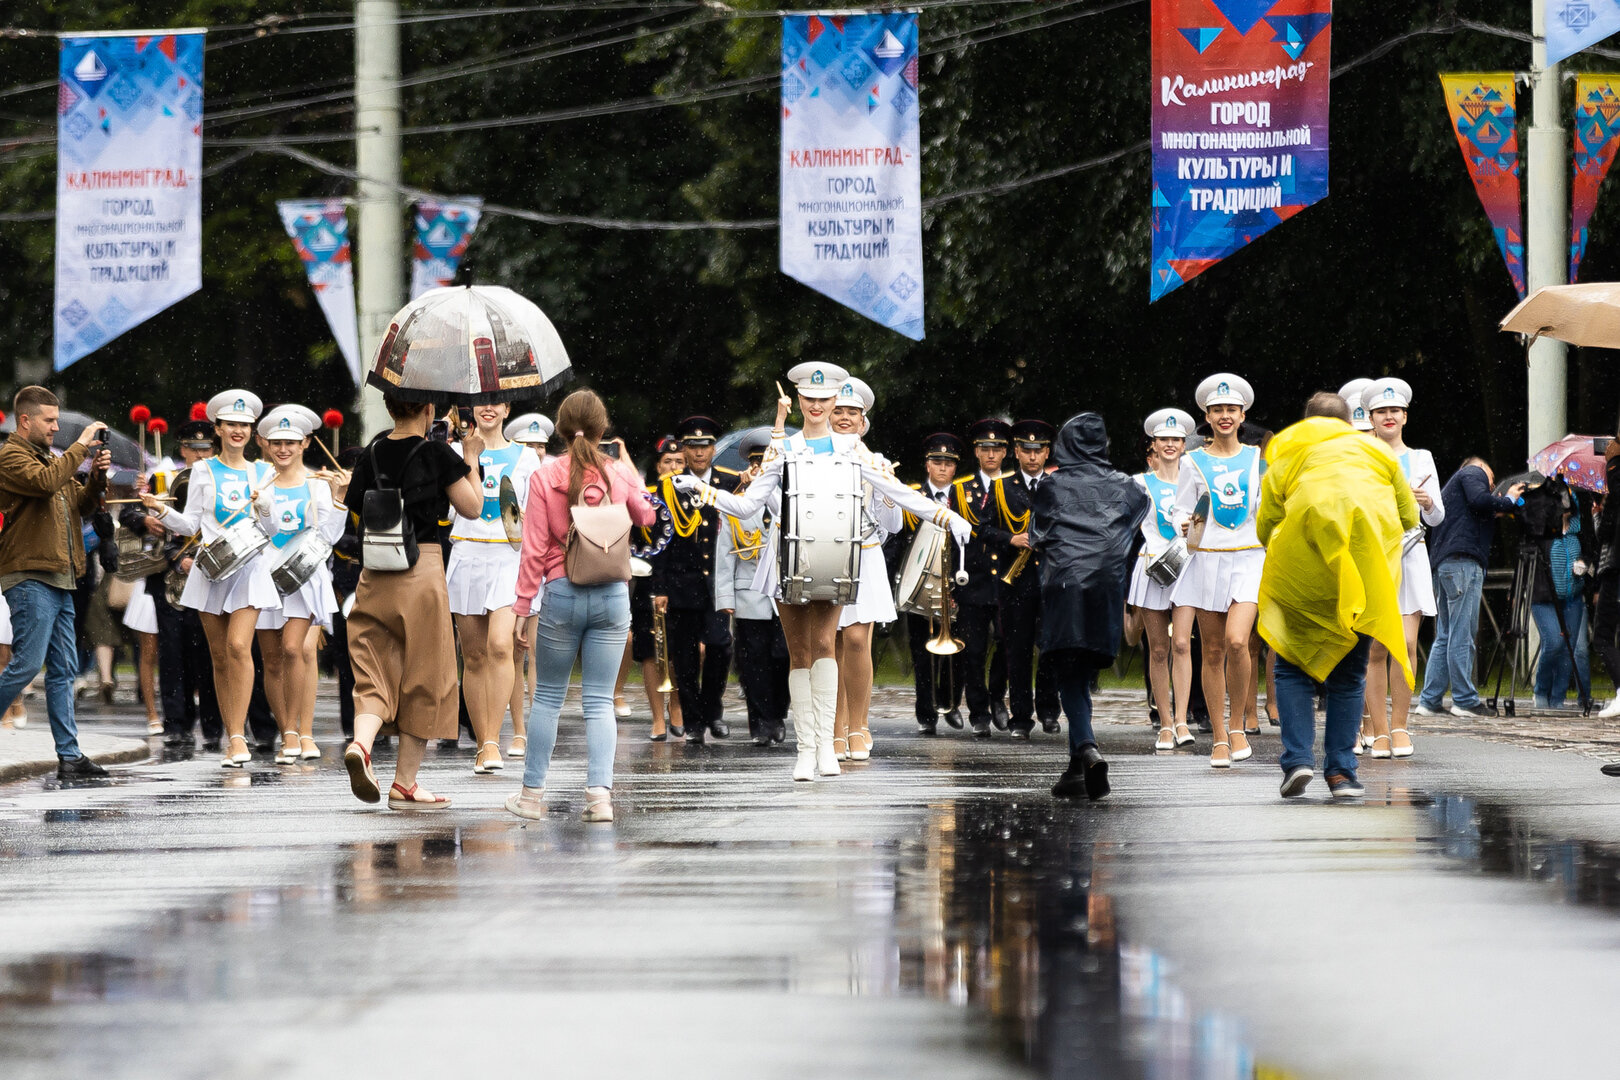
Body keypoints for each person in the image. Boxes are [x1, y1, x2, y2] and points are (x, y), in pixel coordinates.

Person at [675, 364, 972, 782]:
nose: (816, 406)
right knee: (800, 654)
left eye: (824, 399)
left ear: (833, 402)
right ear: (799, 401)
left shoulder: (853, 451)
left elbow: (898, 493)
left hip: (834, 560)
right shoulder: (783, 449)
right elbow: (747, 506)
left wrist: (946, 518)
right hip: (789, 558)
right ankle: (807, 748)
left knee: (826, 646)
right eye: (809, 399)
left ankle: (832, 748)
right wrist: (704, 491)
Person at [1257, 392, 1419, 799]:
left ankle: (1297, 761)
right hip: (1361, 578)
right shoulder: (1379, 455)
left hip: (1301, 578)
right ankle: (1341, 774)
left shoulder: (1289, 456)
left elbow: (1266, 522)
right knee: (1349, 676)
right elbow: (1409, 517)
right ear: (1350, 423)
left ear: (1306, 422)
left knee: (1291, 669)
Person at [507, 390, 657, 822]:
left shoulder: (544, 475)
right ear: (602, 428)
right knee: (599, 702)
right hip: (612, 593)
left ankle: (532, 797)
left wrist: (521, 607)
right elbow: (647, 517)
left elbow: (534, 549)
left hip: (561, 591)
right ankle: (600, 799)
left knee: (549, 699)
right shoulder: (617, 474)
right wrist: (628, 474)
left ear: (560, 427)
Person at [339, 393, 482, 811]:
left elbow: (355, 509)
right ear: (429, 411)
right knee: (427, 673)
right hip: (421, 570)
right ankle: (405, 784)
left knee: (374, 673)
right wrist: (469, 456)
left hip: (374, 572)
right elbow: (471, 508)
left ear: (389, 409)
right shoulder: (436, 452)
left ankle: (362, 744)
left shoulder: (372, 452)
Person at [144, 390, 279, 768]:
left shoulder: (263, 472)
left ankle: (240, 737)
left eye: (245, 426)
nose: (238, 431)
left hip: (250, 569)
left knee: (239, 647)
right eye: (231, 424)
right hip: (211, 569)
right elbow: (191, 523)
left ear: (252, 432)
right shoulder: (202, 470)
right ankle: (234, 735)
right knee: (219, 657)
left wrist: (264, 504)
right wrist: (161, 511)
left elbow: (271, 527)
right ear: (217, 428)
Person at [1034, 413, 1149, 801]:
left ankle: (1085, 746)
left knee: (1068, 668)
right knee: (1080, 672)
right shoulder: (1128, 487)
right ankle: (1076, 769)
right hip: (1105, 587)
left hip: (1065, 585)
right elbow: (1134, 531)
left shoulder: (1052, 485)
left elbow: (1039, 535)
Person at [0, 386, 112, 780]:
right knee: (27, 664)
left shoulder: (52, 459)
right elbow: (46, 484)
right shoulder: (10, 455)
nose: (56, 427)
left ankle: (70, 756)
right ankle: (67, 753)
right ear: (25, 420)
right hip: (30, 574)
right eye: (49, 420)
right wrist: (80, 449)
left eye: (57, 420)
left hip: (61, 575)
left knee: (63, 668)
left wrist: (96, 479)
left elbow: (79, 506)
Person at [1170, 374, 1263, 768]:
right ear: (1206, 416)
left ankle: (1239, 722)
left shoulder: (1259, 458)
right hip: (1207, 557)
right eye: (1217, 410)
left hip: (1248, 557)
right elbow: (1178, 510)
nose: (1225, 416)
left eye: (1231, 410)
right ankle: (1221, 738)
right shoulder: (1192, 462)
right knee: (1211, 649)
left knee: (1239, 642)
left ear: (1243, 415)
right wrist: (1185, 525)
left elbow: (1270, 508)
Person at [444, 401, 540, 774]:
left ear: (506, 407)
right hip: (468, 555)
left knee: (500, 646)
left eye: (495, 402)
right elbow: (449, 511)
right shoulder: (454, 452)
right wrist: (467, 458)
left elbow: (534, 515)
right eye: (481, 402)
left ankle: (493, 740)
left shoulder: (528, 458)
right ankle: (483, 742)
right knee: (474, 656)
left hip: (508, 559)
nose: (488, 409)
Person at [253, 406, 345, 764]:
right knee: (272, 659)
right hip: (264, 576)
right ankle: (287, 731)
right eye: (276, 442)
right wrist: (261, 506)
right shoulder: (259, 483)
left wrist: (339, 500)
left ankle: (305, 731)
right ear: (265, 444)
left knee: (294, 649)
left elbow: (329, 536)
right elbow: (268, 532)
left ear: (306, 443)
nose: (283, 449)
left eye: (291, 442)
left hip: (305, 576)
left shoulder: (317, 484)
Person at [1359, 377, 1444, 757]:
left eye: (1395, 411)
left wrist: (1425, 501)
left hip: (1411, 556)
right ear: (1371, 418)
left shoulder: (1421, 457)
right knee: (1376, 647)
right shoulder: (1361, 455)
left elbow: (1439, 516)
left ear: (1405, 416)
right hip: (1374, 558)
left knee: (1407, 644)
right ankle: (1377, 730)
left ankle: (1400, 726)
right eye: (1381, 412)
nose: (1388, 417)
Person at [651, 416, 740, 744]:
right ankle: (692, 722)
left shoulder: (729, 482)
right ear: (684, 449)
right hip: (681, 581)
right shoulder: (669, 485)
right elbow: (662, 538)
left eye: (705, 446)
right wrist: (660, 586)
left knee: (720, 647)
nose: (699, 452)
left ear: (714, 448)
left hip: (717, 581)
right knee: (684, 655)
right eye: (692, 446)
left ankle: (712, 710)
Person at [1415, 457, 1526, 718]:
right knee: (1462, 633)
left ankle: (1429, 700)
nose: (1492, 485)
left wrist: (1502, 506)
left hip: (1444, 564)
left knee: (1446, 634)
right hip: (1464, 563)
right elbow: (1480, 500)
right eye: (1491, 479)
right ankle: (1464, 700)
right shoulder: (1472, 472)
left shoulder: (1453, 496)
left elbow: (1478, 506)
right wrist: (1508, 499)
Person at [828, 377, 901, 761]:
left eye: (851, 412)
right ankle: (838, 726)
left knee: (857, 639)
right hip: (827, 555)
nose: (844, 417)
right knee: (832, 642)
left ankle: (859, 723)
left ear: (863, 421)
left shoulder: (877, 462)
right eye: (838, 410)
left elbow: (894, 526)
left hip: (866, 555)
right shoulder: (815, 458)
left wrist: (887, 488)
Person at [980, 419, 1062, 740]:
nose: (1032, 456)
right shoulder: (1000, 487)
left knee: (1052, 646)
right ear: (1015, 451)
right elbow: (983, 529)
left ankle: (1049, 710)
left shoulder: (1058, 487)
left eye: (1038, 450)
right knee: (1017, 648)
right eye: (1026, 450)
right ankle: (1021, 718)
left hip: (1052, 578)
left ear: (1046, 452)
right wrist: (1009, 539)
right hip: (1016, 581)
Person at [886, 433, 967, 735]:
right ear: (927, 465)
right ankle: (926, 712)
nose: (942, 467)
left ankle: (951, 703)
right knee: (921, 650)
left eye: (948, 463)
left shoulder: (964, 499)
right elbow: (900, 542)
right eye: (937, 462)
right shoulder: (912, 497)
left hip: (953, 585)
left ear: (955, 467)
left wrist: (960, 586)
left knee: (956, 648)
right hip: (919, 584)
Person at [1130, 408, 1198, 751]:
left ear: (1184, 444)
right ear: (1153, 445)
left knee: (1183, 644)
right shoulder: (1139, 483)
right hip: (1153, 567)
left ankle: (1183, 720)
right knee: (1158, 649)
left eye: (1175, 439)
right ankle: (1166, 724)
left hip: (1186, 568)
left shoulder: (1196, 481)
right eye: (1163, 439)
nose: (1169, 445)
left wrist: (1194, 528)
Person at [716, 429, 790, 746]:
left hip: (784, 596)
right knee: (753, 662)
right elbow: (724, 556)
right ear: (750, 468)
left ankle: (778, 712)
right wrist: (725, 598)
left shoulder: (790, 504)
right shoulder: (736, 504)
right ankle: (760, 722)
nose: (761, 471)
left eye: (768, 465)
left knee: (783, 657)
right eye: (757, 465)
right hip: (749, 596)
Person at [952, 418, 1013, 736]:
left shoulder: (1013, 487)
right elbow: (950, 539)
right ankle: (978, 711)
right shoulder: (960, 490)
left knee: (1006, 645)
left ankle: (997, 699)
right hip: (972, 580)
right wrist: (951, 582)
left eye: (997, 448)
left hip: (1006, 579)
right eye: (985, 448)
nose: (991, 454)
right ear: (976, 452)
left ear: (1006, 452)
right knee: (973, 649)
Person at [503, 411, 553, 751]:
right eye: (528, 445)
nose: (535, 451)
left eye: (540, 445)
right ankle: (518, 730)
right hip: (509, 566)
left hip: (542, 570)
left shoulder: (552, 478)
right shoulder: (507, 472)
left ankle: (536, 729)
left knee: (537, 654)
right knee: (511, 653)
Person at [631, 436, 685, 739]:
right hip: (648, 580)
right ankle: (657, 716)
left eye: (679, 462)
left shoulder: (692, 496)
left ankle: (676, 706)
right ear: (658, 465)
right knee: (650, 651)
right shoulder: (646, 497)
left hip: (681, 582)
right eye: (668, 462)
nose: (673, 467)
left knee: (678, 650)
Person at [1529, 492, 1594, 711]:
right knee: (1554, 642)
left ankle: (1557, 698)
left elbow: (1589, 551)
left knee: (1568, 648)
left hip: (1573, 598)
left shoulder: (1578, 531)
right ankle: (1541, 691)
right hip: (1545, 599)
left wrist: (1584, 563)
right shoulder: (1543, 531)